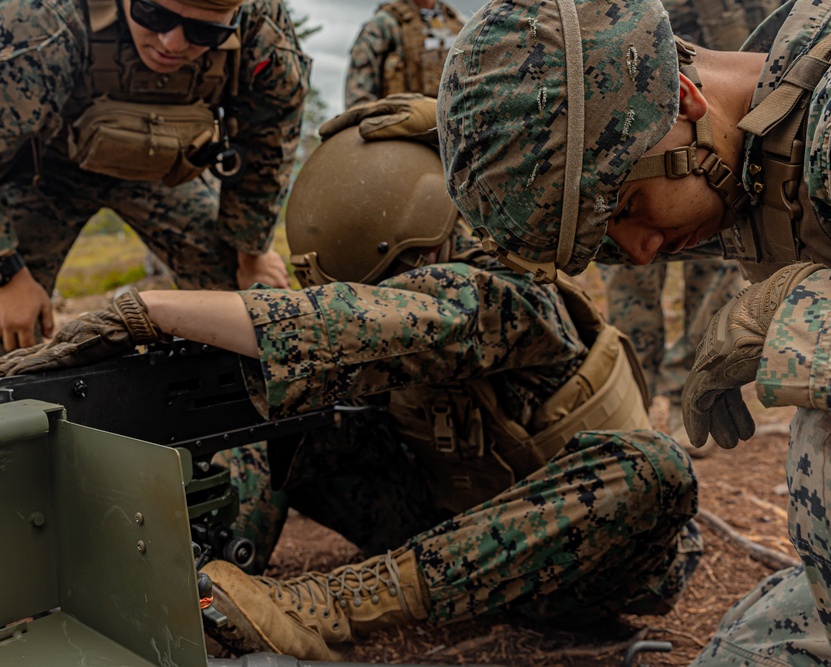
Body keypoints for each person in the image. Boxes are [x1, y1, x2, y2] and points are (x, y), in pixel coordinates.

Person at [0, 107, 703, 661]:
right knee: (281, 396)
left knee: (655, 467)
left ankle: (327, 606)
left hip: (583, 568)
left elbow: (386, 322)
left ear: (426, 250)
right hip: (450, 530)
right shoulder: (436, 276)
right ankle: (206, 581)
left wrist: (150, 310)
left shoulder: (515, 298)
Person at [437, 0, 831, 664]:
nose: (643, 251)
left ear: (682, 98)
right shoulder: (743, 145)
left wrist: (792, 306)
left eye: (625, 207)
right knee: (748, 652)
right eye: (609, 242)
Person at [0, 0, 310, 351]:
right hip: (50, 173)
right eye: (155, 15)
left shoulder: (262, 28)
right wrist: (7, 274)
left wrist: (251, 252)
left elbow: (267, 142)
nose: (172, 44)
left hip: (167, 173)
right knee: (7, 325)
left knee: (243, 310)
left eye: (204, 31)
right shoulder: (40, 18)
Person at [598, 0, 783, 457]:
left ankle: (686, 398)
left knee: (712, 286)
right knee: (631, 279)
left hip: (726, 146)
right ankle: (635, 409)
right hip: (648, 148)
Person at [344, 0, 464, 109]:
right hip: (400, 123)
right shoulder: (384, 25)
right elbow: (359, 97)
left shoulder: (459, 25)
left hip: (451, 125)